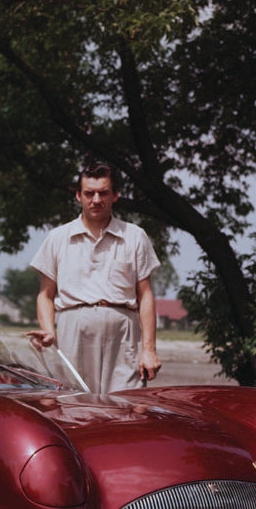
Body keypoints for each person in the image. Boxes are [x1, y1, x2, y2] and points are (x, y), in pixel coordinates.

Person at [27, 162, 162, 394]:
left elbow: (146, 295)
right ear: (79, 196)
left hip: (123, 334)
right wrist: (49, 330)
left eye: (103, 193)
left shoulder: (135, 237)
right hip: (72, 331)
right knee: (72, 405)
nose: (96, 200)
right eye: (89, 193)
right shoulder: (58, 238)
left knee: (126, 405)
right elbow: (45, 295)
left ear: (115, 195)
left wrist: (149, 349)